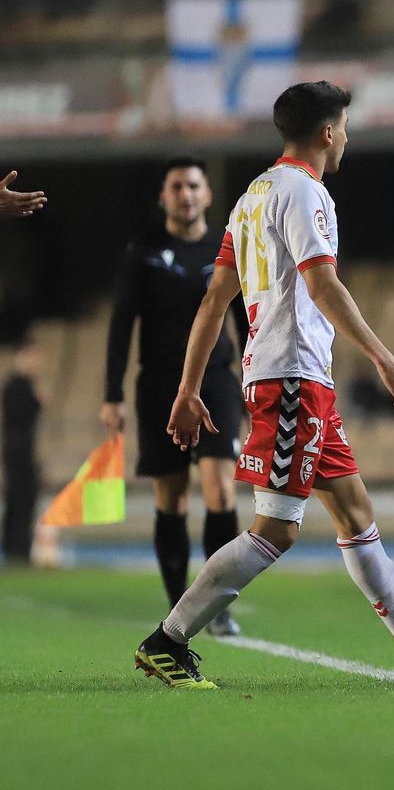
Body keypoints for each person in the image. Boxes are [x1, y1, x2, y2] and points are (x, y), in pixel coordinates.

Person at [134, 81, 394, 690]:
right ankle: (167, 641)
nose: (346, 137)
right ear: (328, 132)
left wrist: (189, 388)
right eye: (344, 127)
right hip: (292, 380)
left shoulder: (251, 198)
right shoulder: (306, 192)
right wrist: (384, 358)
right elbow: (322, 285)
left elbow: (216, 300)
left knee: (355, 513)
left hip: (294, 378)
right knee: (276, 529)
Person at [102, 158, 249, 634]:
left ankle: (216, 606)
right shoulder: (142, 251)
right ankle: (177, 611)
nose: (185, 194)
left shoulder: (226, 249)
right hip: (160, 385)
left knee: (221, 489)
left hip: (218, 381)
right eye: (176, 186)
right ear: (164, 197)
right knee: (172, 499)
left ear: (207, 195)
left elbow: (247, 320)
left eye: (193, 185)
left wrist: (254, 378)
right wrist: (112, 394)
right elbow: (122, 324)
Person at [2, 338, 44, 563]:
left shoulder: (15, 385)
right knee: (21, 501)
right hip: (18, 452)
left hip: (17, 450)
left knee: (19, 501)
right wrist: (37, 400)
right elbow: (23, 416)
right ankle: (18, 550)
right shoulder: (18, 386)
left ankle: (16, 550)